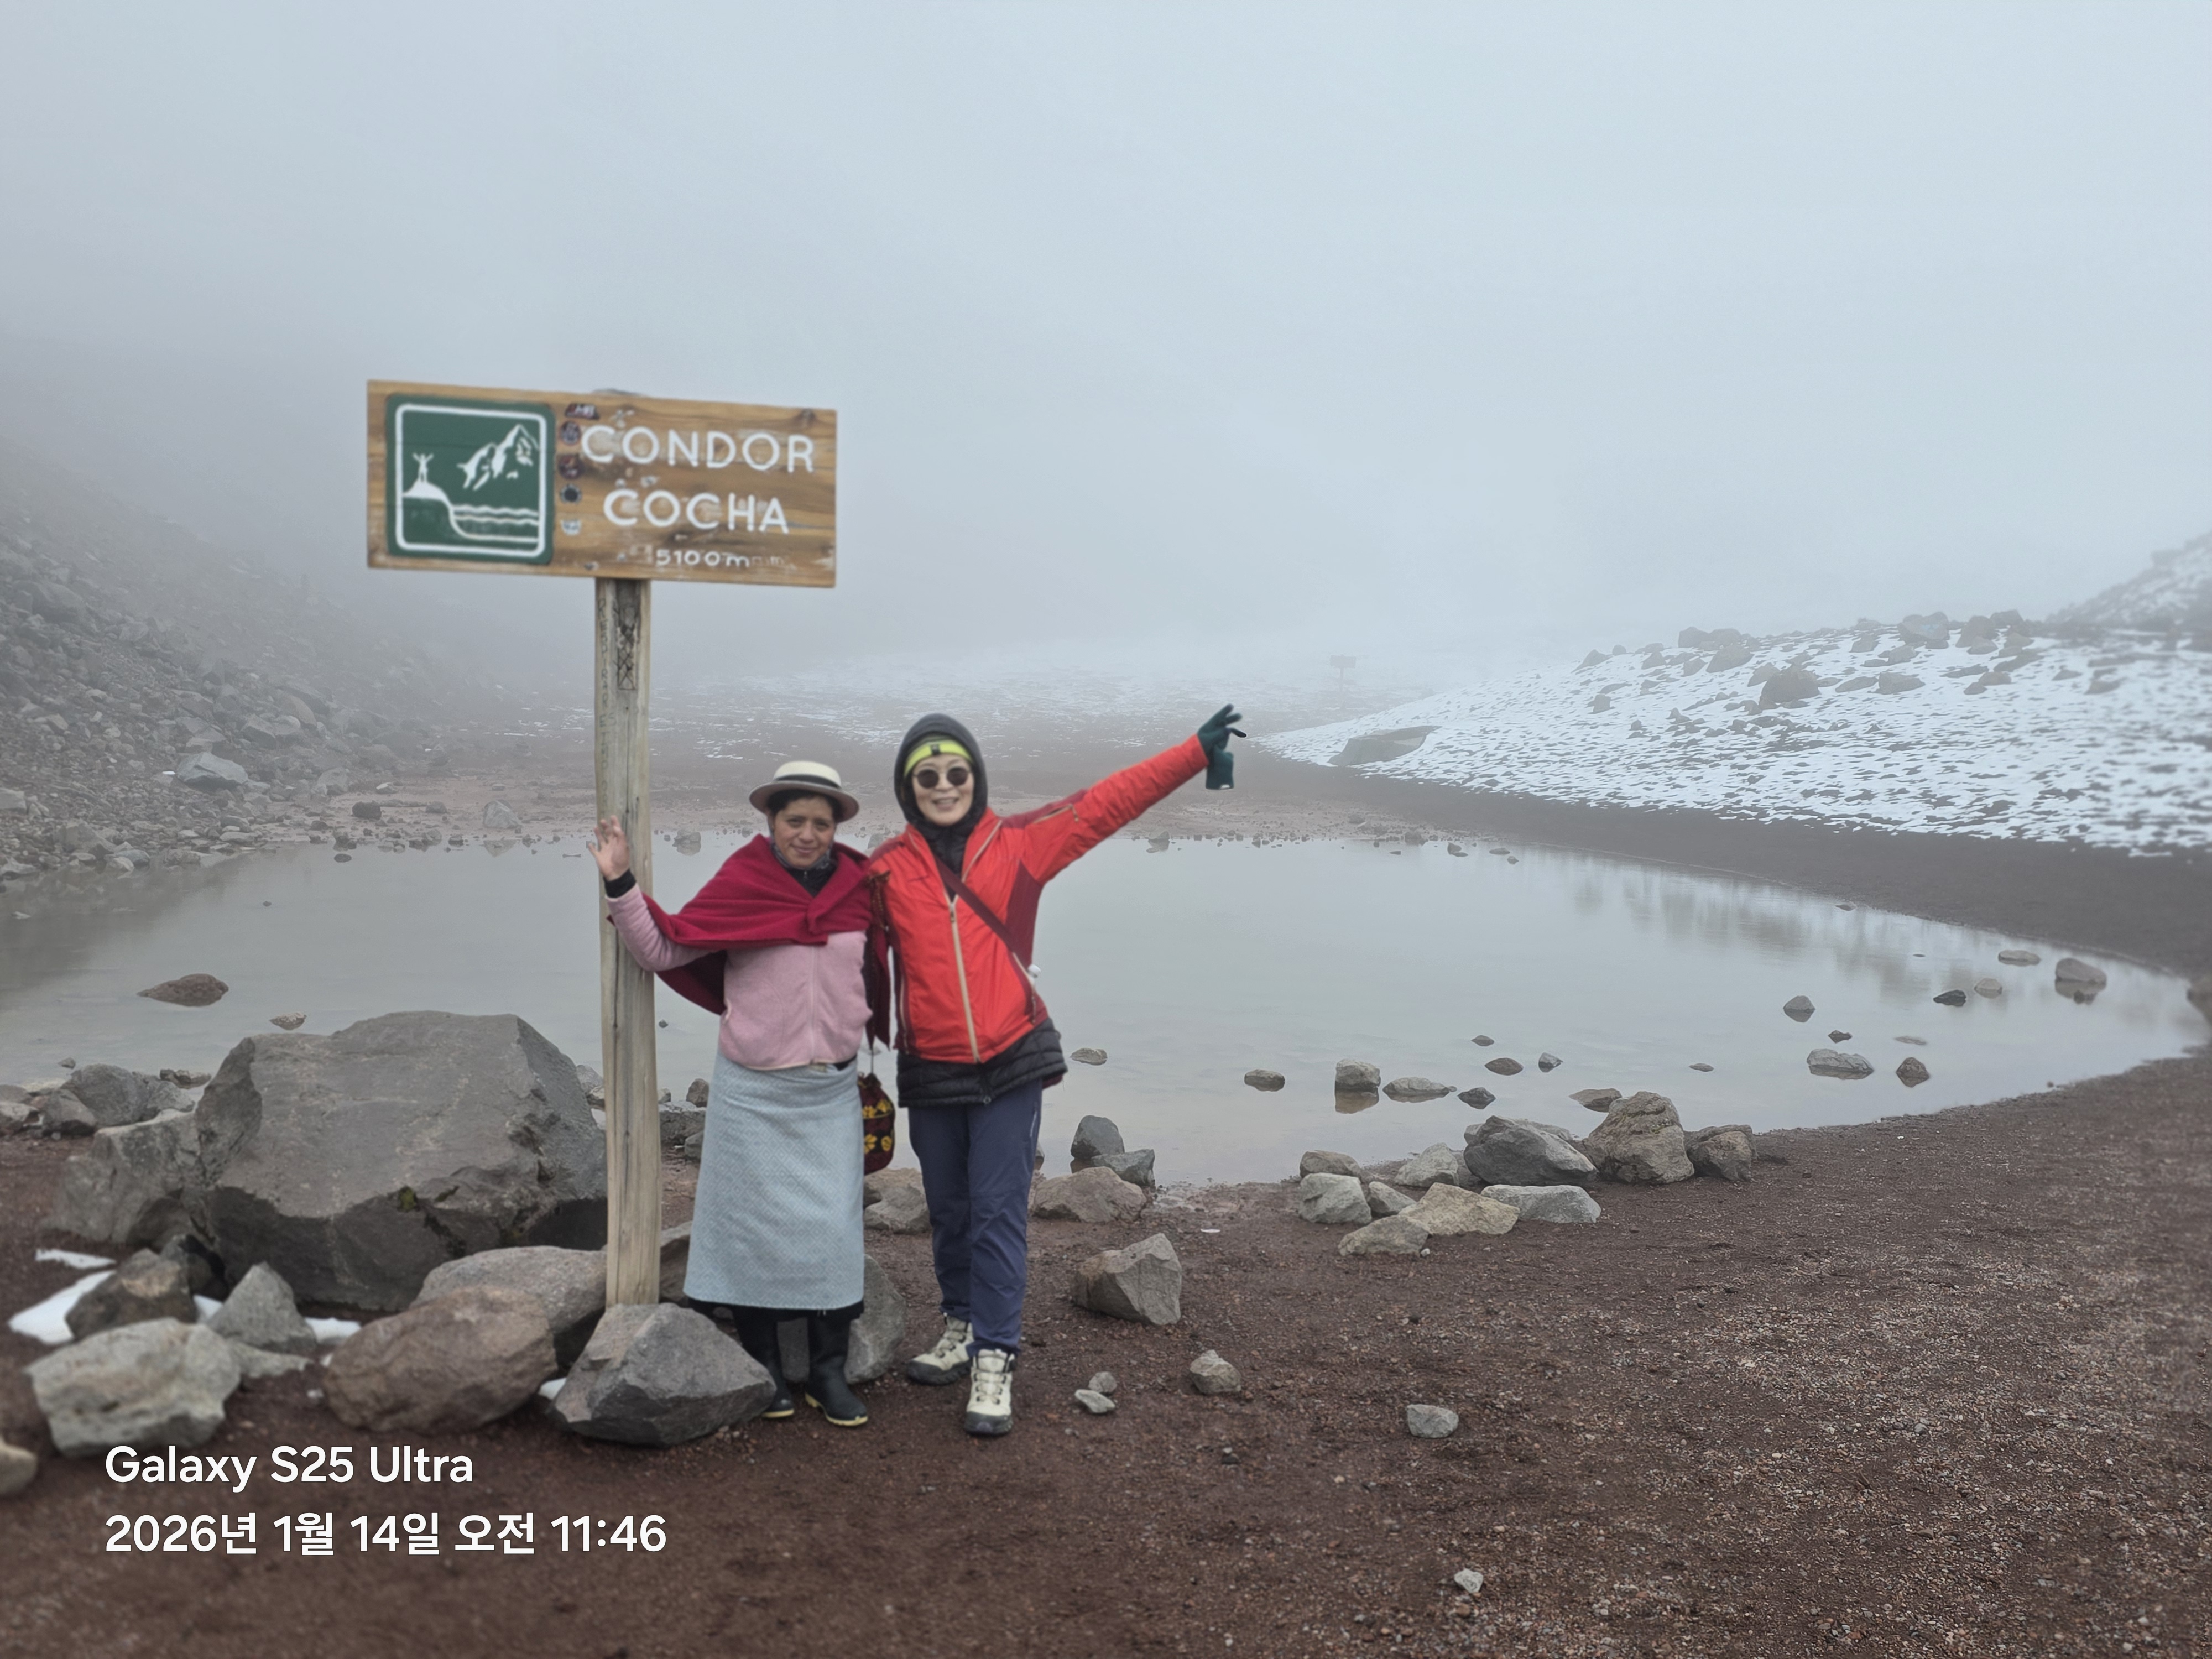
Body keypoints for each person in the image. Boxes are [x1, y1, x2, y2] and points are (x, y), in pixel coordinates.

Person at [869, 705, 1243, 1436]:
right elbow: (823, 931)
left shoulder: (1018, 844)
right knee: (949, 1211)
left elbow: (1106, 802)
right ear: (907, 787)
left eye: (955, 771)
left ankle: (994, 1355)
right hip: (930, 1070)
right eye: (926, 775)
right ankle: (961, 1324)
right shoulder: (885, 868)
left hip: (1010, 1061)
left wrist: (1195, 753)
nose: (943, 785)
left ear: (975, 778)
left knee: (997, 1212)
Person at [590, 760, 880, 1429]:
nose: (807, 833)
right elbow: (664, 950)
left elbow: (907, 958)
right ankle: (767, 1368)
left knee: (835, 1232)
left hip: (830, 1094)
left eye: (820, 823)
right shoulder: (743, 883)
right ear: (771, 821)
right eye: (794, 820)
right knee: (752, 1233)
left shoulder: (863, 889)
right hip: (753, 1095)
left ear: (835, 827)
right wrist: (620, 882)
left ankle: (828, 1372)